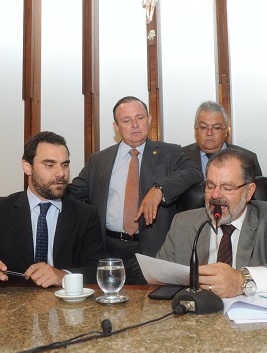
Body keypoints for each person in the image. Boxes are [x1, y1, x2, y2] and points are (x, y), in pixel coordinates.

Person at [0, 132, 105, 291]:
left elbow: (98, 270)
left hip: (68, 311)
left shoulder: (85, 215)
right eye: (50, 165)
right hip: (7, 310)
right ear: (27, 167)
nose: (61, 173)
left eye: (65, 165)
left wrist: (64, 276)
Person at [67, 96, 203, 284]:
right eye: (126, 120)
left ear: (149, 119)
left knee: (150, 301)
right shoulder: (98, 160)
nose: (135, 125)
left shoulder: (170, 153)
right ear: (116, 126)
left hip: (152, 251)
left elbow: (194, 172)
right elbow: (72, 194)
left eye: (140, 118)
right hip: (108, 251)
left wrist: (160, 188)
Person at [157, 148, 267, 297]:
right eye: (210, 186)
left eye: (227, 187)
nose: (215, 195)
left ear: (249, 192)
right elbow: (159, 275)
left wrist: (241, 281)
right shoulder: (183, 222)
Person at [182, 101, 262, 179]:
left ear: (226, 131)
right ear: (196, 129)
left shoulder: (248, 158)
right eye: (203, 127)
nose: (209, 133)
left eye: (216, 128)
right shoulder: (180, 156)